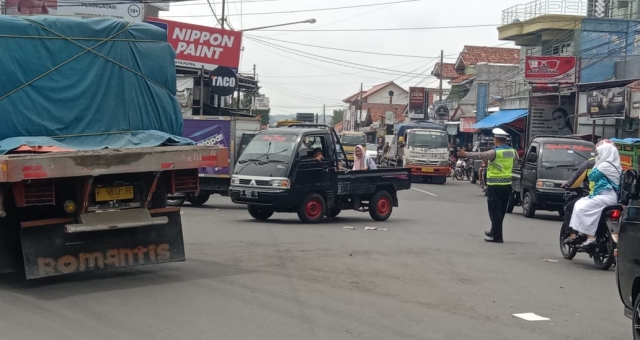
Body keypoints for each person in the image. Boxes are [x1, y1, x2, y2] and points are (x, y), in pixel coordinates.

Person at [458, 128, 515, 243]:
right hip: (507, 184)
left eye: (494, 138)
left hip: (495, 185)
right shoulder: (512, 151)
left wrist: (465, 154)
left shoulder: (495, 152)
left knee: (494, 211)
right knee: (501, 211)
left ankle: (497, 236)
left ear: (497, 140)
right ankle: (494, 230)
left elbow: (481, 155)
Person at [567, 141, 621, 247]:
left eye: (600, 153)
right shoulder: (616, 165)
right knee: (581, 203)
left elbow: (592, 176)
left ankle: (590, 237)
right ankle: (583, 231)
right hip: (607, 196)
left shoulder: (604, 166)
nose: (598, 155)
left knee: (580, 207)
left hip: (606, 197)